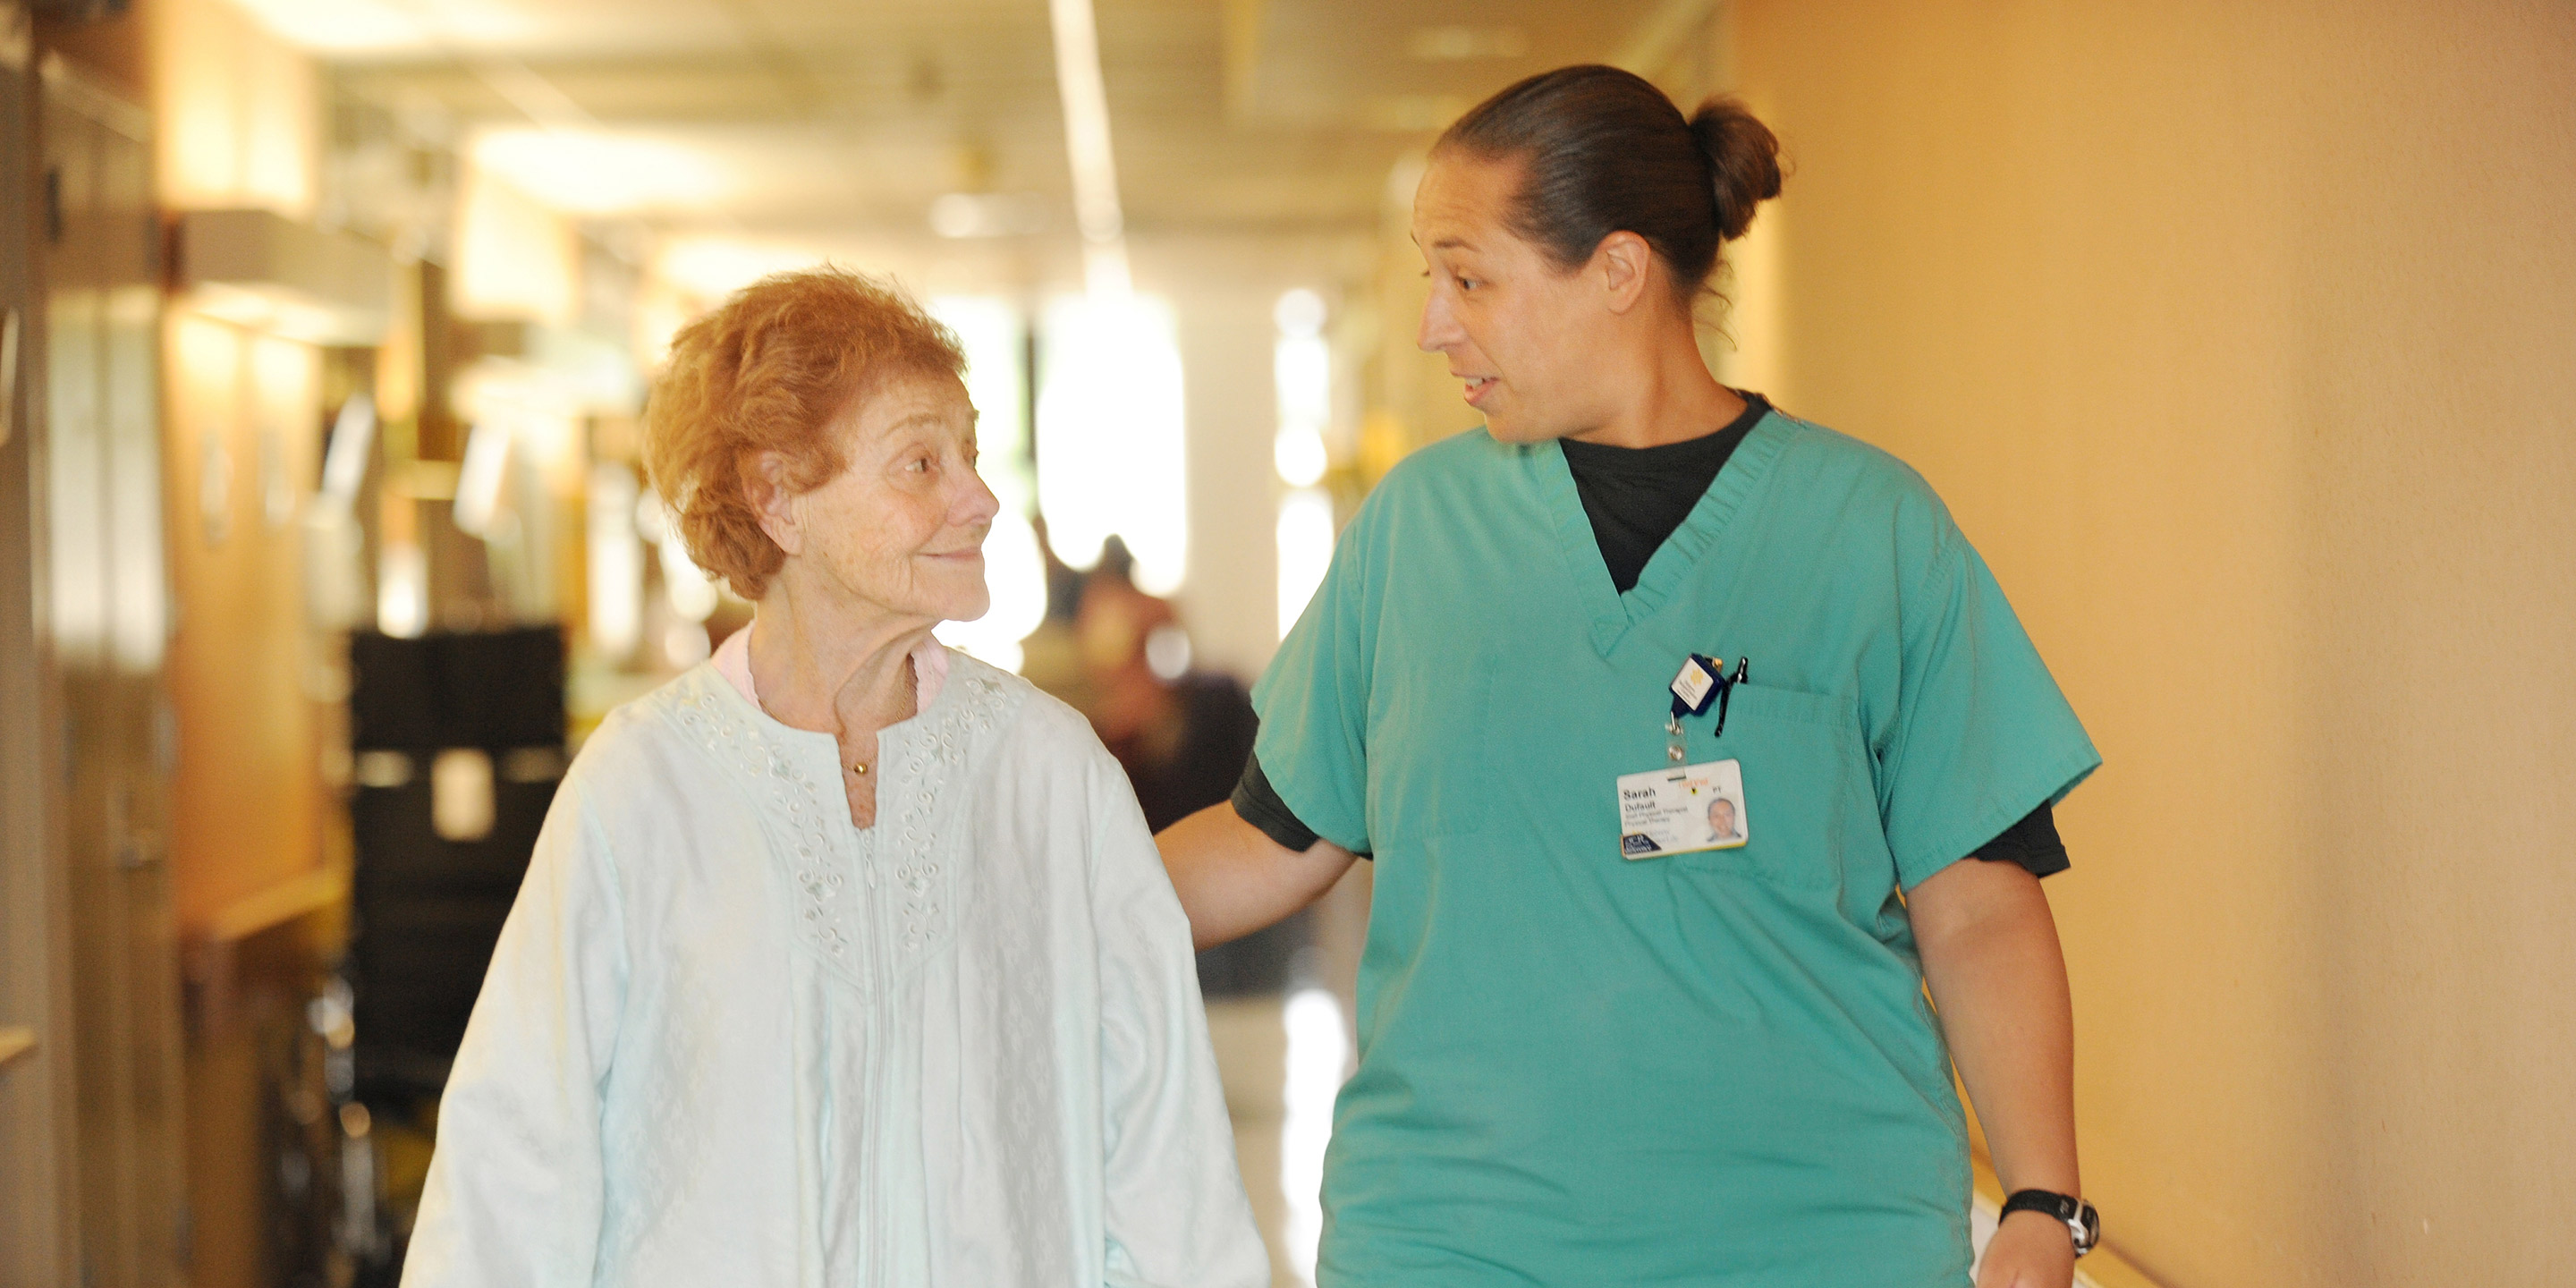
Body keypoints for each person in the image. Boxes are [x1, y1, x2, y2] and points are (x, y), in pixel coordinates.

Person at [1159, 66, 2102, 1288]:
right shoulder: (1420, 532)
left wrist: (2040, 1199)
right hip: (1458, 1234)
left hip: (1819, 1234)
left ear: (1616, 270)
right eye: (1429, 279)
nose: (1434, 324)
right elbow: (1272, 839)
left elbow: (1976, 902)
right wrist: (1007, 884)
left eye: (1469, 276)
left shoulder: (1867, 529)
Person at [404, 268, 1267, 1288]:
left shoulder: (1050, 774)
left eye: (972, 456)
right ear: (777, 499)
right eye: (920, 463)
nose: (980, 498)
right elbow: (517, 1161)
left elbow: (1168, 1159)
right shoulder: (640, 788)